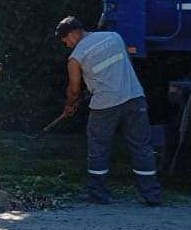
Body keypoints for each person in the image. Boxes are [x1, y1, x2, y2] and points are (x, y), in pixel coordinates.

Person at [55, 16, 163, 205]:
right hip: (134, 98)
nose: (67, 45)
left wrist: (70, 105)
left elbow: (74, 89)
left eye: (66, 41)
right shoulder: (114, 37)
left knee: (99, 148)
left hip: (104, 106)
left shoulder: (75, 57)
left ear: (72, 33)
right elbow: (123, 66)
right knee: (142, 147)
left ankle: (98, 195)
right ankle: (152, 196)